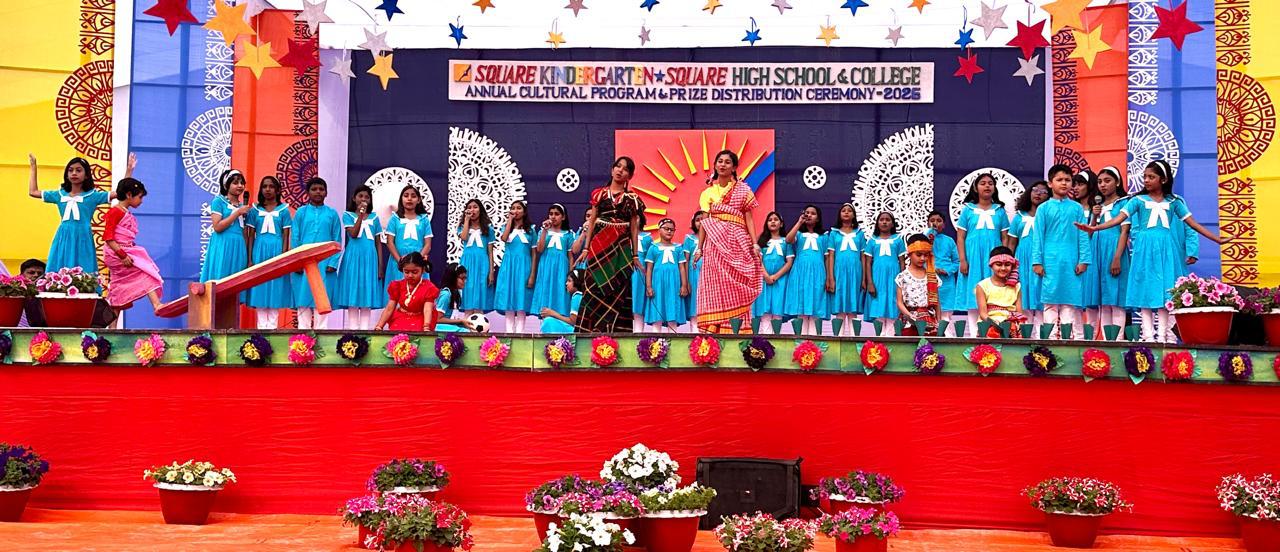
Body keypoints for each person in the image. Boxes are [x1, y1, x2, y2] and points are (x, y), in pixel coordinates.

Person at [1078, 160, 1226, 343]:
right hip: (1144, 249)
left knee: (1165, 291)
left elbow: (1193, 224)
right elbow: (1118, 220)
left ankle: (1163, 337)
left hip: (1166, 248)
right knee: (1144, 289)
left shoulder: (1174, 202)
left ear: (1163, 179)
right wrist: (1095, 228)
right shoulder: (1137, 200)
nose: (1146, 180)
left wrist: (1217, 239)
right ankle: (1148, 336)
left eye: (1151, 177)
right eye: (1145, 177)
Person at [28, 153, 134, 273]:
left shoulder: (93, 195)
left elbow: (120, 192)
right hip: (63, 236)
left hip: (83, 236)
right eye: (70, 170)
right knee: (59, 267)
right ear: (66, 174)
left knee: (84, 268)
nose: (74, 173)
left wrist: (129, 170)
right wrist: (33, 167)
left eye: (78, 170)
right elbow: (33, 192)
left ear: (86, 175)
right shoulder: (59, 194)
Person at [692, 150, 761, 334]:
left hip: (738, 242)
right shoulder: (707, 193)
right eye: (720, 161)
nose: (723, 165)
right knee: (716, 285)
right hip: (714, 245)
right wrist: (699, 249)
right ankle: (714, 328)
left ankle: (738, 328)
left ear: (734, 167)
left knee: (736, 283)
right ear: (715, 165)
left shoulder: (743, 190)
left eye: (727, 162)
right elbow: (705, 222)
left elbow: (749, 218)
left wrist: (754, 243)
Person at [575, 157, 646, 333]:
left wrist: (635, 255)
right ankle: (587, 333)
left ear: (630, 176)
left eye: (625, 169)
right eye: (618, 166)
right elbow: (592, 221)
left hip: (621, 249)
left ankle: (616, 333)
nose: (620, 170)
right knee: (593, 287)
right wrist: (586, 248)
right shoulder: (599, 194)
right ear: (612, 170)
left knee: (618, 288)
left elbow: (634, 227)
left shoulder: (632, 199)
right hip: (598, 247)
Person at [1032, 165, 1090, 340]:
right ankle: (1049, 341)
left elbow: (1083, 235)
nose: (1064, 183)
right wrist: (1037, 261)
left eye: (1067, 180)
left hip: (1072, 261)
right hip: (1049, 261)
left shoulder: (1077, 208)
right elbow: (1038, 237)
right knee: (1050, 302)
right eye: (1059, 180)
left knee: (1069, 303)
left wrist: (1084, 260)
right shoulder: (1043, 209)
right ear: (1050, 183)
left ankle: (1067, 340)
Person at [956, 173, 1009, 337]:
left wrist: (1004, 260)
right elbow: (960, 237)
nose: (987, 186)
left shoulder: (1000, 211)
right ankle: (974, 335)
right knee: (973, 293)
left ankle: (993, 333)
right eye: (983, 183)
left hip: (993, 258)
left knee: (993, 292)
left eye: (990, 183)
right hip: (973, 257)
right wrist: (963, 260)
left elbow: (1005, 237)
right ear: (975, 187)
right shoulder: (968, 210)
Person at [101, 178, 164, 314]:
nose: (141, 201)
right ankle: (157, 304)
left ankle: (112, 325)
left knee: (118, 289)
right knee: (146, 272)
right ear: (129, 195)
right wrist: (123, 255)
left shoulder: (122, 211)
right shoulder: (116, 212)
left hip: (121, 250)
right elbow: (108, 238)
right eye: (140, 197)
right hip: (116, 253)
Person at [291, 177, 343, 329]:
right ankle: (302, 336)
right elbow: (295, 237)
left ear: (326, 193)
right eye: (314, 189)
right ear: (308, 192)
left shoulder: (332, 214)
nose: (318, 192)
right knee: (303, 299)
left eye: (321, 189)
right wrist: (297, 262)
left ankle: (322, 334)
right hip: (304, 262)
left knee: (322, 300)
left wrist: (333, 262)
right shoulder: (301, 212)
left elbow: (337, 239)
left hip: (325, 264)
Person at [245, 176, 292, 330]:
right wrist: (250, 259)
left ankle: (273, 329)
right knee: (260, 288)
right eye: (264, 186)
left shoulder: (284, 210)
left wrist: (283, 257)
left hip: (276, 251)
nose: (268, 189)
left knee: (275, 288)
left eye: (271, 186)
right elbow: (250, 236)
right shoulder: (254, 210)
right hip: (259, 252)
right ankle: (260, 331)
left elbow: (286, 236)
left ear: (277, 190)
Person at [337, 184, 384, 330]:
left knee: (366, 292)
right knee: (353, 291)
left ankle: (365, 331)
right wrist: (361, 216)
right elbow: (353, 233)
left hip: (370, 258)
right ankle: (352, 331)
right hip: (353, 256)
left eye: (367, 197)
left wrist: (380, 266)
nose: (363, 199)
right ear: (354, 198)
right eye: (360, 196)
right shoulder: (347, 215)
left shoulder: (375, 218)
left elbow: (378, 243)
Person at [1093, 167, 1131, 339]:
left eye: (1107, 181)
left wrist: (1117, 258)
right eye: (1100, 182)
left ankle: (1118, 340)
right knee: (1104, 301)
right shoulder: (1098, 206)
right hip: (1098, 252)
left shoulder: (1124, 203)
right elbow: (1091, 231)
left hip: (1115, 251)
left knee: (1116, 299)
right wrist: (1094, 216)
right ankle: (1106, 341)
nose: (1103, 185)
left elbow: (1124, 231)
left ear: (1117, 182)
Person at [1006, 181, 1048, 331]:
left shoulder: (1048, 216)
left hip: (1042, 259)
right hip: (1022, 260)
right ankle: (1025, 334)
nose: (1038, 194)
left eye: (1043, 192)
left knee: (1041, 296)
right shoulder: (1019, 217)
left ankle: (1042, 336)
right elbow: (1011, 243)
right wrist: (1009, 264)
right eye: (1035, 190)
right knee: (1024, 296)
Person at [200, 169, 251, 290]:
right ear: (226, 185)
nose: (240, 186)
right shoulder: (218, 201)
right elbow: (217, 227)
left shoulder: (243, 206)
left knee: (236, 282)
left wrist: (246, 254)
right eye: (235, 183)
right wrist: (237, 212)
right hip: (222, 244)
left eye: (242, 183)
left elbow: (245, 232)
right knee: (220, 280)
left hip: (239, 246)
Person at [530, 204, 575, 330]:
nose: (553, 217)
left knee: (560, 293)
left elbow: (570, 256)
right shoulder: (543, 232)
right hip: (546, 268)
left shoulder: (568, 234)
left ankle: (559, 328)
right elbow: (539, 249)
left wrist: (571, 274)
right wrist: (545, 230)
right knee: (546, 292)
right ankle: (545, 327)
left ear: (563, 217)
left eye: (557, 214)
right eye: (551, 214)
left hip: (561, 269)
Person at [494, 200, 535, 333]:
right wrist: (510, 221)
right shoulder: (506, 227)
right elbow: (504, 238)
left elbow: (534, 253)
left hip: (524, 266)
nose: (515, 211)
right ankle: (509, 333)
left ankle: (520, 334)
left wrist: (532, 274)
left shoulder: (531, 230)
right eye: (513, 208)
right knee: (509, 298)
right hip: (509, 266)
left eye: (519, 208)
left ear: (524, 212)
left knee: (521, 299)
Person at [785, 205, 827, 336]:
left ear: (818, 218)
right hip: (800, 272)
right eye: (807, 213)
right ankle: (801, 342)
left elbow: (827, 257)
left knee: (815, 305)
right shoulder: (798, 234)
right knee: (801, 305)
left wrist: (828, 277)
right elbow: (788, 240)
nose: (809, 215)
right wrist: (799, 222)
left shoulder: (824, 236)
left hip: (818, 273)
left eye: (813, 213)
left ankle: (814, 342)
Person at [863, 212, 906, 337]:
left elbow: (902, 262)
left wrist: (903, 281)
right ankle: (880, 335)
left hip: (894, 277)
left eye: (887, 220)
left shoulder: (898, 240)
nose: (884, 222)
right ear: (877, 223)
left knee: (893, 301)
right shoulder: (872, 241)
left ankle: (891, 335)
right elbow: (868, 263)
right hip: (877, 277)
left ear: (892, 224)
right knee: (878, 302)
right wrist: (870, 282)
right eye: (881, 219)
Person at [644, 218, 689, 333]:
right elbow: (649, 268)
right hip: (658, 284)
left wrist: (684, 285)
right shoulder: (653, 248)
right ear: (659, 230)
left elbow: (682, 267)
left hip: (674, 284)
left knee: (672, 309)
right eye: (666, 229)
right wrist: (648, 286)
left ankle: (672, 338)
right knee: (657, 311)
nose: (669, 231)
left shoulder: (678, 248)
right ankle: (655, 340)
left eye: (672, 230)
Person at [374, 253, 439, 332]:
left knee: (417, 332)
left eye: (414, 272)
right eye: (406, 272)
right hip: (401, 316)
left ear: (423, 270)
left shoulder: (429, 288)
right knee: (396, 332)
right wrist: (379, 326)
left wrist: (426, 327)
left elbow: (427, 310)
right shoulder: (397, 286)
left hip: (421, 318)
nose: (410, 275)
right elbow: (389, 309)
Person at [825, 203, 863, 337]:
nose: (846, 212)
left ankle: (854, 339)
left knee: (852, 307)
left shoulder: (859, 233)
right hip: (838, 272)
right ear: (839, 215)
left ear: (854, 215)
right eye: (843, 211)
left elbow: (863, 256)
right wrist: (830, 277)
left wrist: (864, 278)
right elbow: (831, 256)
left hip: (855, 272)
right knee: (840, 305)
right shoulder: (834, 234)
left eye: (849, 211)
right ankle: (838, 339)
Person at [1072, 170, 1102, 332]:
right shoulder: (1071, 208)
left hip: (1091, 256)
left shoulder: (1096, 209)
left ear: (1090, 185)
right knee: (1074, 299)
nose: (1076, 188)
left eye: (1080, 184)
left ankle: (1091, 336)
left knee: (1090, 298)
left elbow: (1090, 233)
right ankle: (1077, 335)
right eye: (1074, 184)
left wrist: (1095, 217)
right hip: (1072, 255)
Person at [753, 211, 793, 335]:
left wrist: (775, 277)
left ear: (781, 224)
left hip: (780, 280)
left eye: (776, 219)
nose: (773, 222)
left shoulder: (786, 242)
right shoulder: (762, 242)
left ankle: (776, 338)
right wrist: (766, 275)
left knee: (777, 309)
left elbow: (789, 262)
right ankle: (764, 339)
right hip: (763, 280)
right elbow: (758, 260)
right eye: (770, 220)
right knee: (765, 311)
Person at [383, 185, 432, 284]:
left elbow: (428, 244)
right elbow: (390, 242)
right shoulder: (395, 218)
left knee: (419, 291)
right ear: (401, 199)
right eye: (406, 196)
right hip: (398, 260)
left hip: (418, 261)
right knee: (398, 289)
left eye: (413, 196)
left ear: (418, 200)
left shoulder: (424, 219)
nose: (409, 199)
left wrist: (417, 260)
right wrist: (400, 261)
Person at [456, 198, 495, 315]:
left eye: (475, 207)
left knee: (480, 292)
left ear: (480, 210)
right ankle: (466, 320)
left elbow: (490, 252)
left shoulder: (488, 229)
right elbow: (464, 237)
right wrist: (466, 220)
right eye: (469, 207)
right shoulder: (462, 227)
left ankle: (479, 321)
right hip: (467, 262)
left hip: (482, 263)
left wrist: (491, 272)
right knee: (467, 290)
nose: (472, 210)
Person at [976, 246, 1026, 338]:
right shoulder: (982, 285)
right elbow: (983, 314)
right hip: (989, 324)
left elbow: (1019, 312)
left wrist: (1019, 327)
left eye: (1007, 264)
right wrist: (996, 325)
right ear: (991, 265)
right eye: (998, 264)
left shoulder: (1016, 286)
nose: (1003, 268)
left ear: (1012, 266)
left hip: (1012, 324)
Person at [896, 234, 939, 336]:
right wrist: (910, 316)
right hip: (909, 321)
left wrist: (939, 321)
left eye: (926, 255)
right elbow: (899, 302)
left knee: (929, 345)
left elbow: (937, 303)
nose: (923, 258)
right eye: (919, 255)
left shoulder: (932, 276)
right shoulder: (902, 277)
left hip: (930, 321)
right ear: (909, 254)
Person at [926, 211, 960, 336]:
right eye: (932, 220)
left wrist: (947, 270)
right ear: (927, 223)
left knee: (946, 314)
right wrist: (930, 233)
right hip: (929, 279)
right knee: (929, 311)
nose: (935, 223)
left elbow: (957, 262)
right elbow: (920, 256)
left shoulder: (949, 241)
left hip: (946, 282)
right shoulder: (925, 238)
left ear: (944, 225)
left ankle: (948, 339)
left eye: (939, 221)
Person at [433, 263, 477, 333]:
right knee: (465, 331)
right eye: (462, 278)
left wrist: (461, 322)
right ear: (452, 278)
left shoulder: (455, 293)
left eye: (465, 278)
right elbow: (438, 319)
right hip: (437, 327)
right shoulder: (446, 294)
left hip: (445, 325)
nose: (465, 281)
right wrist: (460, 321)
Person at [541, 269, 585, 334]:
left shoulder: (577, 296)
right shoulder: (581, 295)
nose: (566, 284)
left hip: (577, 332)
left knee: (548, 321)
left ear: (577, 282)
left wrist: (553, 314)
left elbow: (573, 322)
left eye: (569, 281)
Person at [683, 211, 705, 328]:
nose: (700, 222)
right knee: (695, 303)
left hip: (708, 275)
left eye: (703, 219)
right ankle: (694, 332)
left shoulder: (711, 238)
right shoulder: (689, 239)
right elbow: (686, 261)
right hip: (694, 275)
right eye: (697, 220)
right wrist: (686, 282)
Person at [17, 259, 47, 327]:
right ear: (21, 275)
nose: (36, 275)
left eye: (40, 273)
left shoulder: (47, 292)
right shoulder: (13, 291)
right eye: (31, 272)